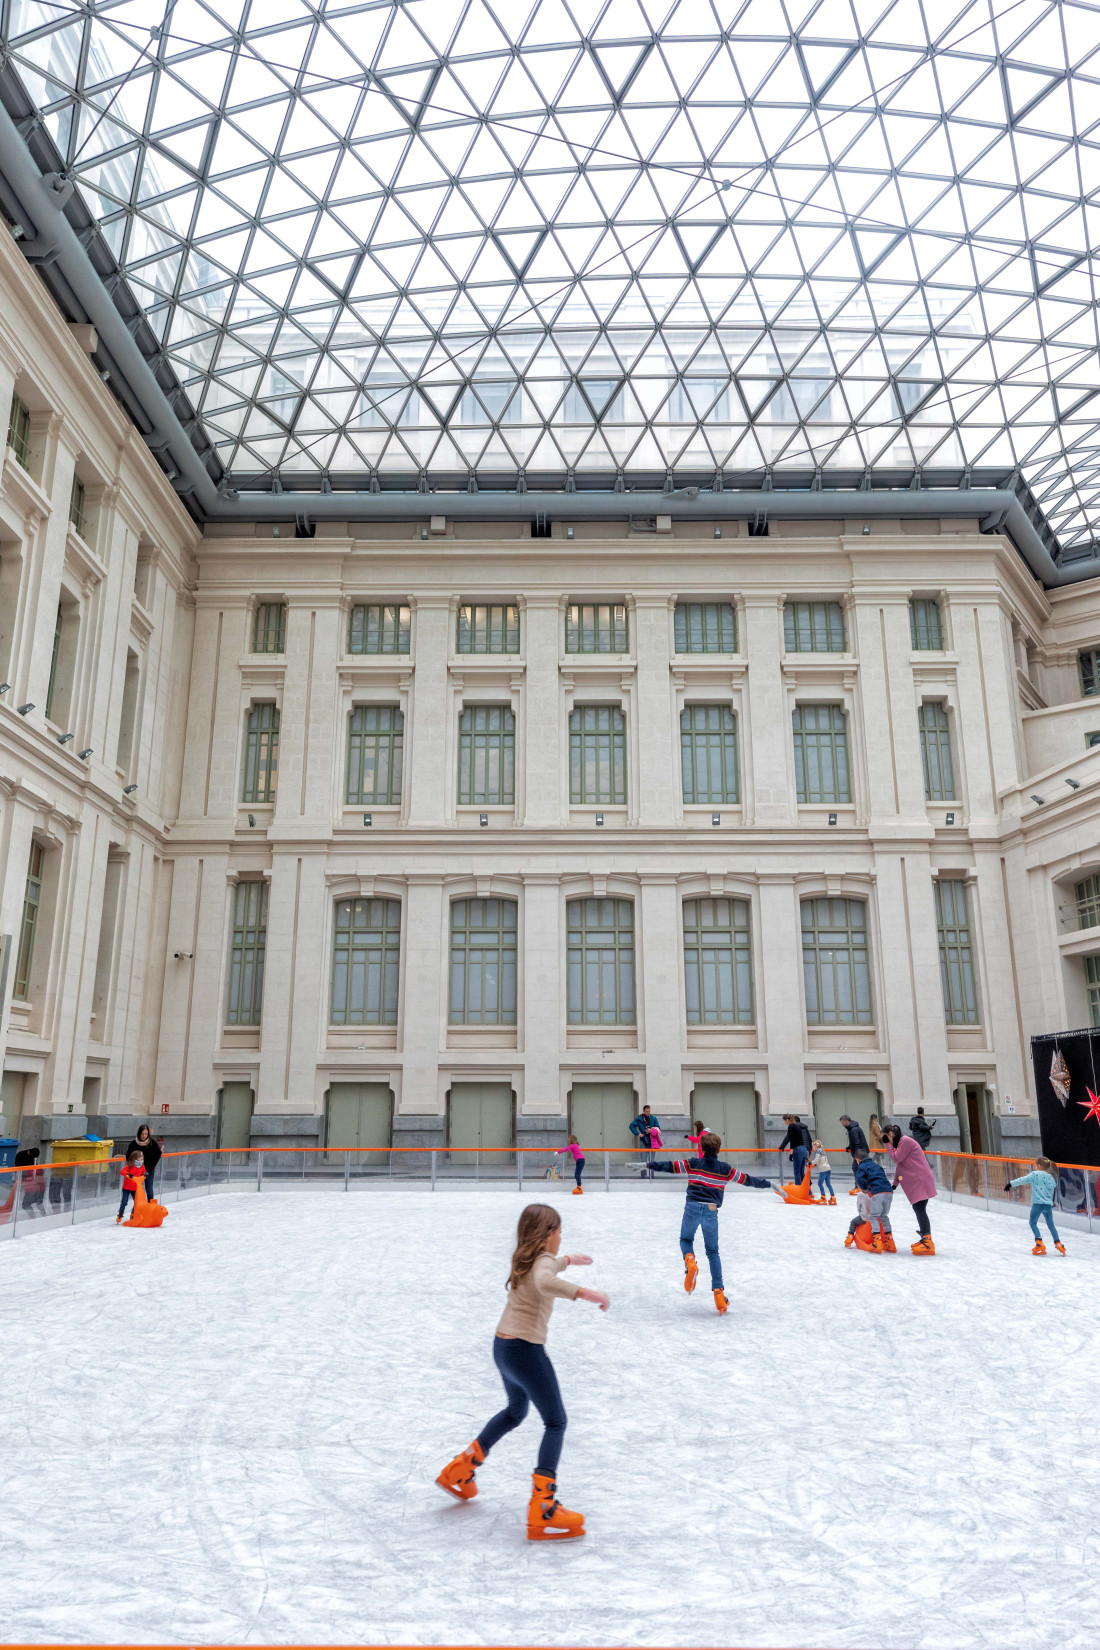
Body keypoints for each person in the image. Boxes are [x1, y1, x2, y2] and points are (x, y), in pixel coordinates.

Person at [435, 1203, 608, 1540]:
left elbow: (547, 1266)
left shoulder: (525, 1257)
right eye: (558, 1232)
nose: (560, 1238)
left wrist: (569, 1259)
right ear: (547, 1235)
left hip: (503, 1348)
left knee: (516, 1411)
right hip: (526, 1351)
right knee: (556, 1421)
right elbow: (546, 1280)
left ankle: (460, 1469)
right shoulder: (541, 1263)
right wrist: (587, 1293)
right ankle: (543, 1506)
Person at [650, 1131, 771, 1314]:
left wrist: (648, 1164)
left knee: (686, 1240)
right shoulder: (725, 1169)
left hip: (691, 1207)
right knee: (713, 1252)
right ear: (718, 1149)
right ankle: (719, 1294)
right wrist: (769, 1184)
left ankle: (690, 1260)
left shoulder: (693, 1163)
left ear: (702, 1147)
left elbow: (669, 1166)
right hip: (711, 1211)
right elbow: (748, 1180)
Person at [883, 1124, 937, 1254]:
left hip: (920, 1180)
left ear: (890, 1134)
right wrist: (895, 1184)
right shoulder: (901, 1144)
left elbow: (896, 1159)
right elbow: (900, 1165)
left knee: (920, 1208)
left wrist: (887, 1145)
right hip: (916, 1181)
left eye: (885, 1137)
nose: (885, 1141)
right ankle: (925, 1239)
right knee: (918, 1208)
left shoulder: (905, 1141)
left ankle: (927, 1242)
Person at [1007, 1157, 1064, 1255]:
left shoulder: (1034, 1174)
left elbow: (1022, 1180)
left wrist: (1010, 1184)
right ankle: (1058, 1243)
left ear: (1039, 1165)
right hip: (1047, 1205)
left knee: (1032, 1222)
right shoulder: (1050, 1176)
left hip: (1037, 1204)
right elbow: (1053, 1186)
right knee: (1051, 1225)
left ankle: (1039, 1243)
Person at [845, 1147, 894, 1252]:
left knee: (873, 1217)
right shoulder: (877, 1165)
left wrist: (865, 1188)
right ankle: (890, 1242)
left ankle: (877, 1241)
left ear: (857, 1160)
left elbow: (859, 1179)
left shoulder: (862, 1167)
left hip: (878, 1192)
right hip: (888, 1192)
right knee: (884, 1216)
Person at [126, 1124, 163, 1202]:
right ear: (139, 1133)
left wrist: (150, 1168)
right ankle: (138, 1206)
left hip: (148, 1171)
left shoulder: (152, 1142)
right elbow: (128, 1156)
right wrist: (132, 1166)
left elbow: (158, 1154)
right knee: (137, 1190)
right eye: (142, 1134)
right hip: (136, 1171)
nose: (144, 1136)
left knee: (149, 1189)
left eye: (146, 1134)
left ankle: (151, 1205)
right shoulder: (134, 1143)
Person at [778, 1114, 812, 1185]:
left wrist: (791, 1153)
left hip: (798, 1150)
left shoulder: (791, 1127)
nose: (785, 1123)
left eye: (784, 1122)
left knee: (797, 1172)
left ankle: (799, 1189)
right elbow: (807, 1139)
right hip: (804, 1149)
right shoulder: (798, 1127)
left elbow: (792, 1141)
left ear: (787, 1120)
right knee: (801, 1172)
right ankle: (806, 1190)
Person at [116, 1148, 145, 1225]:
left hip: (136, 1188)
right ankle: (120, 1213)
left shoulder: (142, 1166)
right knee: (124, 1202)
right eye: (140, 1156)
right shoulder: (130, 1165)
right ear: (135, 1158)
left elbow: (144, 1173)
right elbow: (122, 1171)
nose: (141, 1158)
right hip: (126, 1188)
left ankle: (133, 1213)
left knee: (137, 1202)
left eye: (142, 1156)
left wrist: (145, 1174)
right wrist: (128, 1174)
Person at [15, 1148, 45, 1217]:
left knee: (26, 1204)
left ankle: (34, 1217)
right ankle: (43, 1216)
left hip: (33, 1187)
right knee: (38, 1203)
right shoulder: (21, 1156)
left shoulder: (33, 1169)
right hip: (38, 1186)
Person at [630, 1105, 659, 1171]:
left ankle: (651, 1174)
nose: (648, 1113)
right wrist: (638, 1133)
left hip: (652, 1140)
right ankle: (643, 1173)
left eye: (649, 1111)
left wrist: (651, 1131)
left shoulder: (653, 1118)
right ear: (643, 1111)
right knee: (643, 1158)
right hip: (643, 1140)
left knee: (652, 1159)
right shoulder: (639, 1118)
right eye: (646, 1111)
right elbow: (631, 1126)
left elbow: (658, 1128)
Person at [810, 1138, 835, 1204]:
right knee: (828, 1184)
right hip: (828, 1169)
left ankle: (823, 1197)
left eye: (813, 1146)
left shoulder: (818, 1152)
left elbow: (816, 1160)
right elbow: (821, 1160)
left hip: (823, 1170)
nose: (812, 1147)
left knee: (820, 1183)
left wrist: (810, 1163)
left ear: (816, 1146)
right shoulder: (822, 1151)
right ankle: (833, 1197)